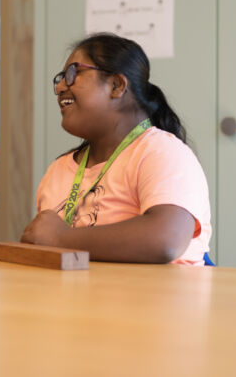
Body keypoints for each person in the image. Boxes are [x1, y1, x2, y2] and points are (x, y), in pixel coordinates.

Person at [21, 34, 211, 264]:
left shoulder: (162, 152)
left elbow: (166, 240)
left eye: (73, 73)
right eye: (60, 78)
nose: (60, 87)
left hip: (155, 289)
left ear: (116, 85)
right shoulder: (58, 170)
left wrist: (60, 238)